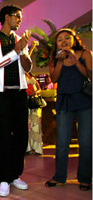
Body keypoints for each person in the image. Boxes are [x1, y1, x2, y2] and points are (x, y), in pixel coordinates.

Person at [0, 5, 32, 197]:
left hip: (20, 92)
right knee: (4, 137)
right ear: (6, 17)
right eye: (17, 16)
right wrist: (15, 52)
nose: (20, 20)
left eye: (21, 17)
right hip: (1, 94)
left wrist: (27, 52)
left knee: (21, 136)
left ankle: (14, 175)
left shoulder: (20, 39)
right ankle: (4, 178)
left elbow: (27, 68)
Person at [45, 28, 92, 191]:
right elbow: (54, 78)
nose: (63, 41)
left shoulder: (85, 53)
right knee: (62, 142)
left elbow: (89, 75)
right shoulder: (54, 58)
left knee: (86, 142)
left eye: (67, 38)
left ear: (74, 39)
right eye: (60, 39)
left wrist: (74, 58)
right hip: (64, 101)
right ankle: (59, 177)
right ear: (56, 43)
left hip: (85, 101)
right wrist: (59, 61)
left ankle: (85, 178)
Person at [25, 72, 43, 155]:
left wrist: (35, 92)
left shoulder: (33, 77)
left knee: (36, 125)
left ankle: (37, 148)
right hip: (25, 103)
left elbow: (39, 89)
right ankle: (27, 147)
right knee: (26, 126)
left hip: (34, 103)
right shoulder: (20, 76)